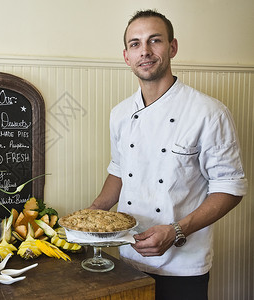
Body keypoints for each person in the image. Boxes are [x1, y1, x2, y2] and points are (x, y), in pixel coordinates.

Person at [89, 9, 247, 300]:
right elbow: (120, 169)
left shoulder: (208, 113)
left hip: (183, 266)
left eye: (155, 41)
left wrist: (175, 230)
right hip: (128, 258)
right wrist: (94, 211)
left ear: (172, 47)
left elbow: (230, 188)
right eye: (135, 44)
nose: (145, 51)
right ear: (127, 56)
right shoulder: (120, 113)